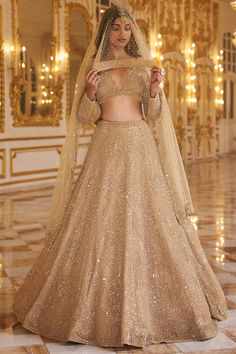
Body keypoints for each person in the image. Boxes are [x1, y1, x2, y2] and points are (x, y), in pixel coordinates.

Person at [13, 5, 228, 348]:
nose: (123, 35)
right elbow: (84, 118)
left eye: (127, 29)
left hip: (140, 144)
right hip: (105, 145)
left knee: (150, 219)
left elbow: (155, 114)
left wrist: (156, 89)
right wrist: (86, 92)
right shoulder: (95, 69)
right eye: (116, 29)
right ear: (106, 32)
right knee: (97, 220)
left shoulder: (143, 68)